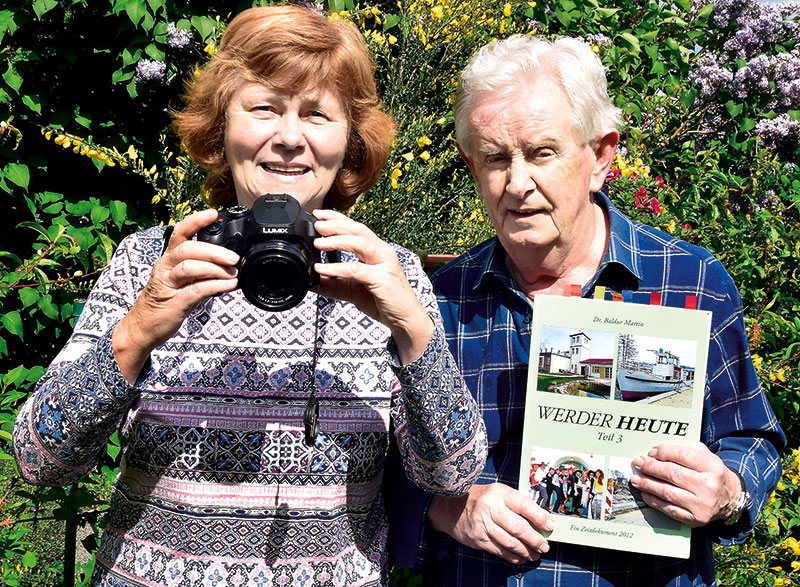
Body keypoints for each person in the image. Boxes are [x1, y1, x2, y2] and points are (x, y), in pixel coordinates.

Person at [12, 6, 486, 587]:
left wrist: (415, 334)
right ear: (220, 124)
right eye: (264, 107)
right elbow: (39, 461)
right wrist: (137, 331)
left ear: (350, 141)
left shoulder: (389, 272)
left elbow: (452, 475)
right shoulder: (151, 262)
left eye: (317, 114)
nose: (289, 138)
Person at [387, 34, 785, 586]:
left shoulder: (690, 281)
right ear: (473, 168)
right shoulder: (438, 301)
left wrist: (728, 492)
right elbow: (387, 461)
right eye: (496, 158)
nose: (518, 184)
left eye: (542, 152)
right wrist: (448, 508)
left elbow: (753, 436)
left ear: (600, 157)